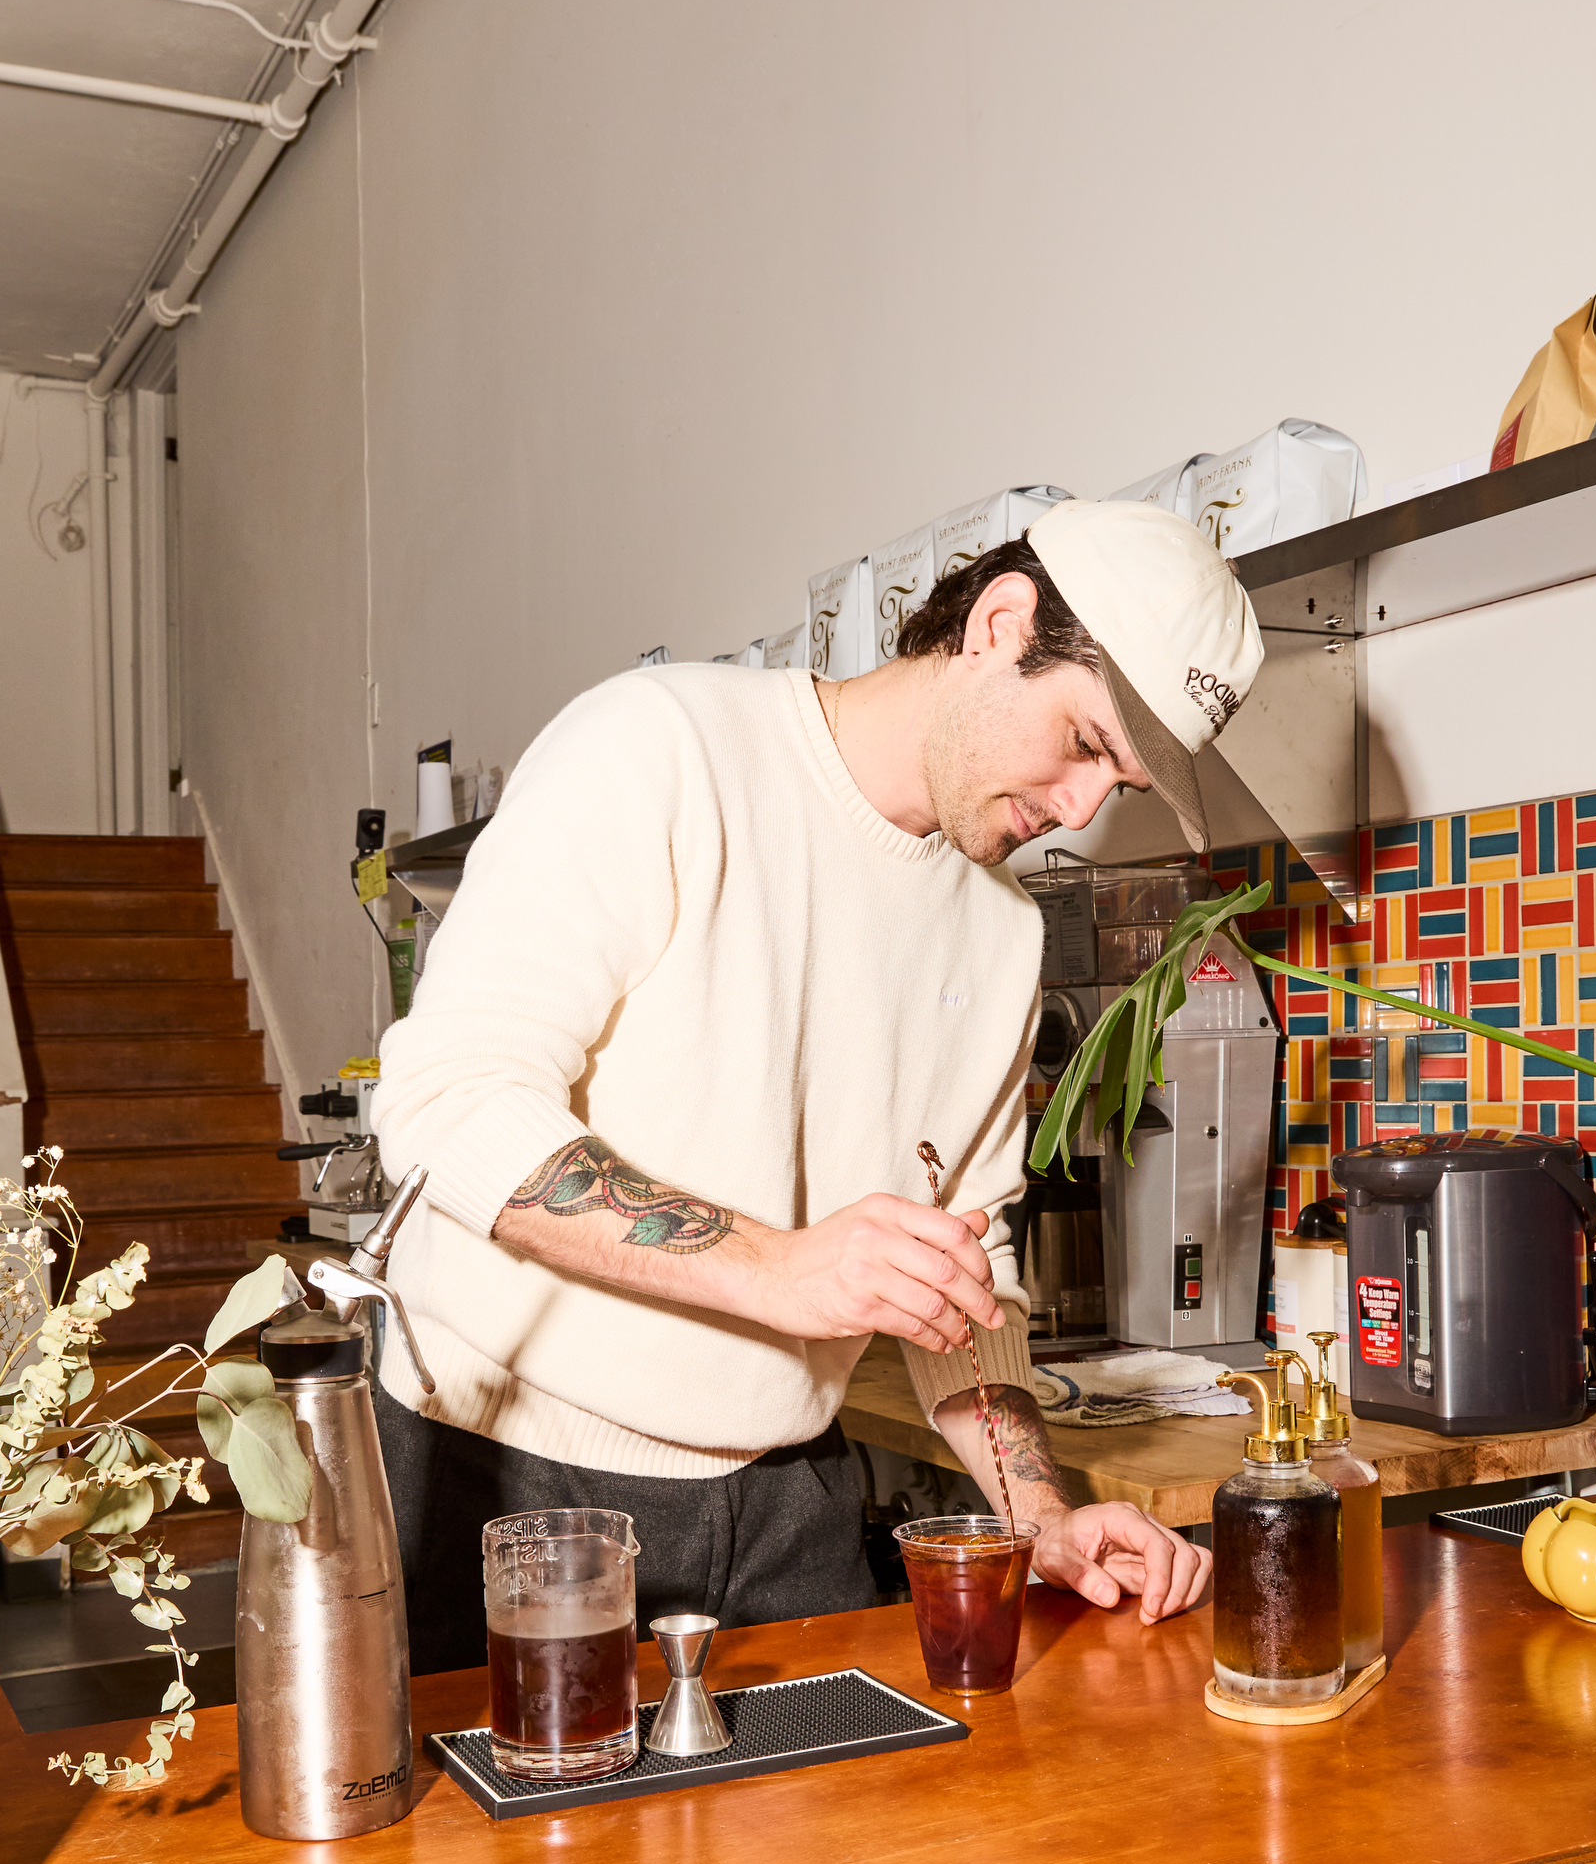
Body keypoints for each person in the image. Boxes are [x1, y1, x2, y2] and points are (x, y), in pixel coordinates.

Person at [373, 499, 1264, 1673]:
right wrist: (783, 1269)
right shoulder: (660, 749)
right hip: (512, 1489)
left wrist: (1037, 1515)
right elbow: (446, 1104)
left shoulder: (999, 937)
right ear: (1001, 623)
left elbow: (965, 1266)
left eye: (1122, 785)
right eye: (1086, 743)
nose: (1081, 810)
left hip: (789, 1505)